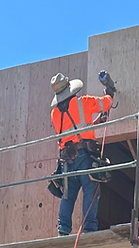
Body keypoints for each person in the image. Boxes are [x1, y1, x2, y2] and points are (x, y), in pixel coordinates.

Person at [46, 73, 114, 236]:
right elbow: (106, 103)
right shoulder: (83, 102)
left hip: (67, 159)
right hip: (85, 156)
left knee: (68, 195)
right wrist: (110, 92)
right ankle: (89, 227)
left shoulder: (55, 114)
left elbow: (72, 131)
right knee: (91, 189)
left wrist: (95, 123)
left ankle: (63, 230)